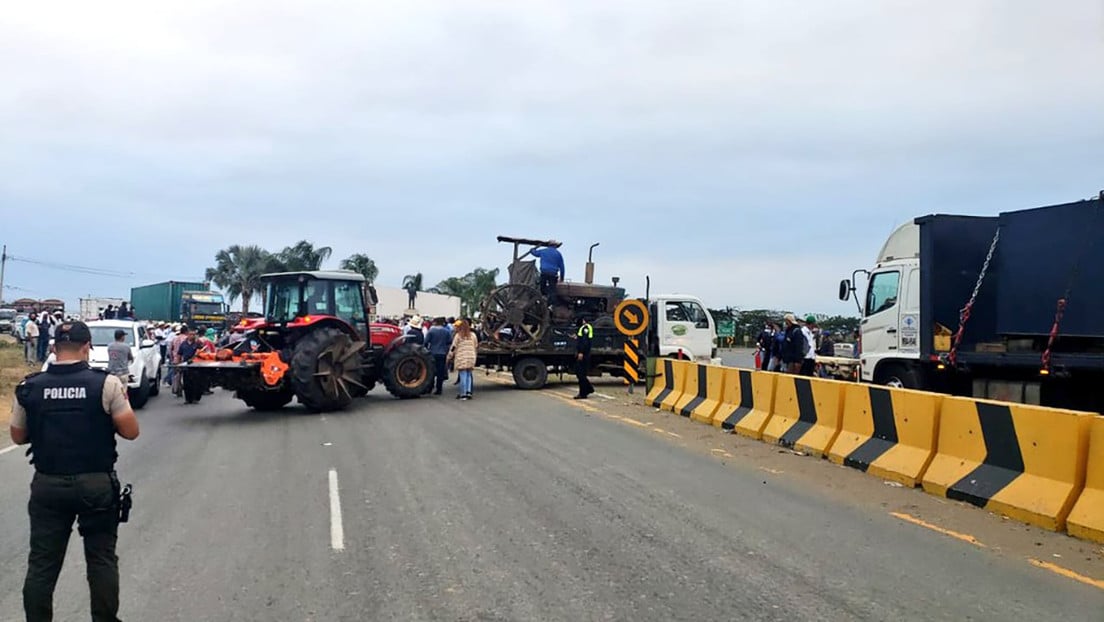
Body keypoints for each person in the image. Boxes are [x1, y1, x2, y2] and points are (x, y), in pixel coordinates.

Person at [10, 320, 139, 622]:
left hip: (48, 485)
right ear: (86, 347)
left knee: (42, 564)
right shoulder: (105, 383)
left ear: (53, 348)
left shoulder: (29, 387)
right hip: (96, 485)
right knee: (101, 559)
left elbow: (17, 436)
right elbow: (131, 432)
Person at [447, 319, 478, 400]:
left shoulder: (458, 336)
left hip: (461, 357)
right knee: (468, 375)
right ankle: (468, 392)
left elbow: (453, 347)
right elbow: (476, 345)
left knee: (463, 375)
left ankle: (463, 394)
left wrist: (449, 356)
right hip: (471, 356)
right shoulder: (473, 335)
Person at [424, 317, 453, 396]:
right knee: (440, 372)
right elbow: (449, 341)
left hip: (432, 352)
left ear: (435, 322)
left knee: (431, 370)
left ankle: (430, 387)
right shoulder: (446, 331)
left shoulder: (431, 331)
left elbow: (426, 342)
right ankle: (439, 389)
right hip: (442, 353)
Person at [573, 316, 595, 399]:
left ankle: (583, 393)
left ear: (583, 320)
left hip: (584, 354)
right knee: (581, 373)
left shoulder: (585, 328)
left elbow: (585, 341)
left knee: (580, 374)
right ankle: (588, 389)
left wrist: (581, 352)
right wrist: (577, 338)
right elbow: (582, 339)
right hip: (585, 353)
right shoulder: (586, 328)